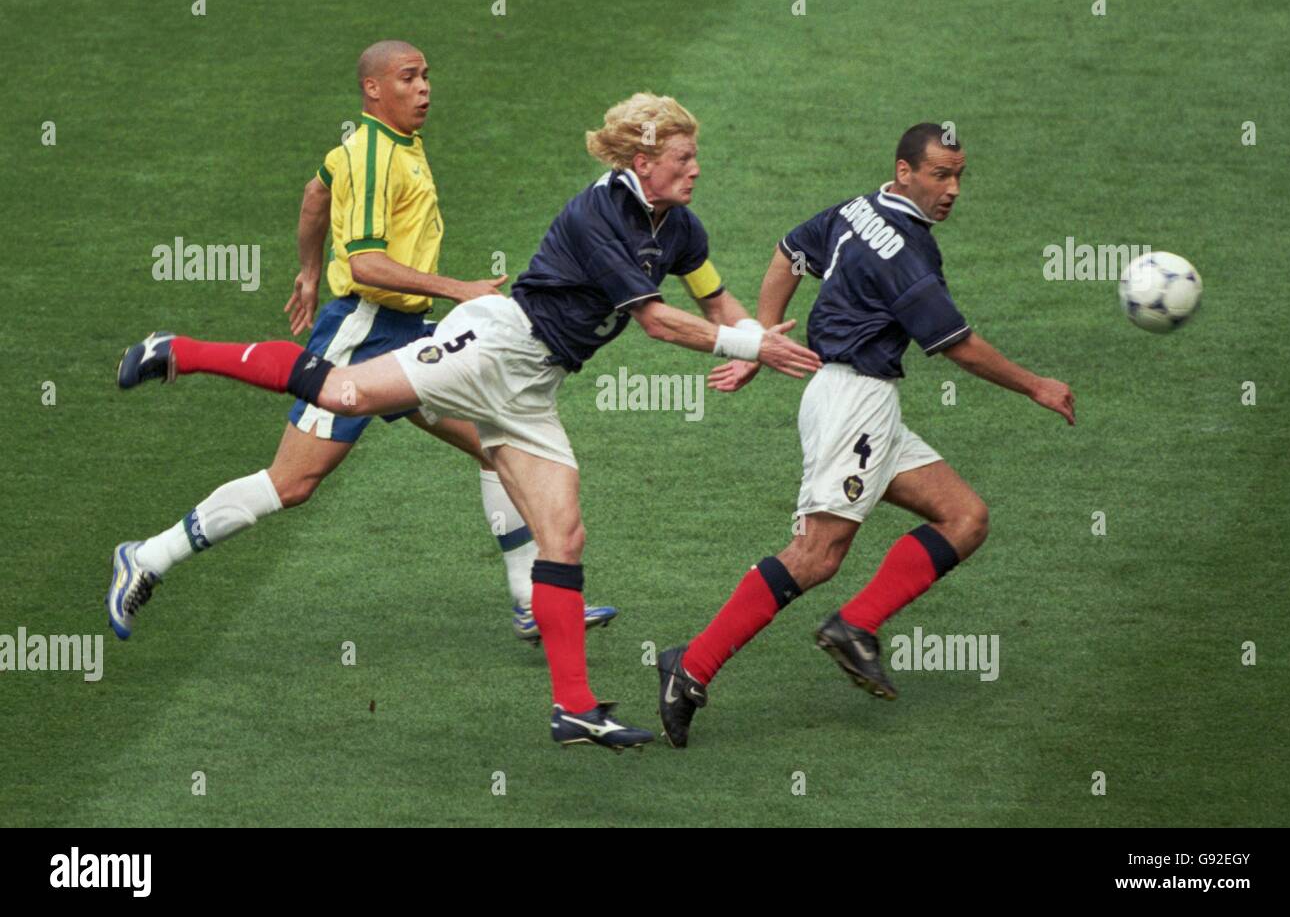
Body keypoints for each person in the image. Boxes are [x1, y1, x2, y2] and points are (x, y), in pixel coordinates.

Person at [113, 93, 823, 750]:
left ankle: (572, 704)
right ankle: (179, 351)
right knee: (343, 393)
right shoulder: (600, 213)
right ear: (643, 163)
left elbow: (714, 301)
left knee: (564, 534)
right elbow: (658, 322)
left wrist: (754, 340)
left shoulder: (680, 228)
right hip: (494, 346)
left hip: (534, 387)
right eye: (683, 160)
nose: (695, 170)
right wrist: (749, 343)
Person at [105, 40, 616, 646]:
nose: (424, 88)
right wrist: (460, 289)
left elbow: (315, 193)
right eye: (409, 77)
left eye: (427, 75)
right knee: (291, 483)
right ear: (373, 89)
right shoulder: (374, 152)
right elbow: (369, 265)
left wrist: (307, 268)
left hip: (406, 333)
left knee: (491, 440)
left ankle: (530, 598)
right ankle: (148, 555)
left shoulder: (384, 145)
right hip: (365, 329)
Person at [656, 123, 1076, 747]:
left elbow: (788, 251)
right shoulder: (908, 252)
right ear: (905, 171)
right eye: (940, 174)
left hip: (853, 397)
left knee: (964, 517)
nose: (952, 188)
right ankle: (690, 668)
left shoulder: (859, 208)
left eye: (959, 175)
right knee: (817, 554)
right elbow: (957, 345)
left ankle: (855, 624)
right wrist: (1035, 384)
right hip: (855, 402)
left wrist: (762, 338)